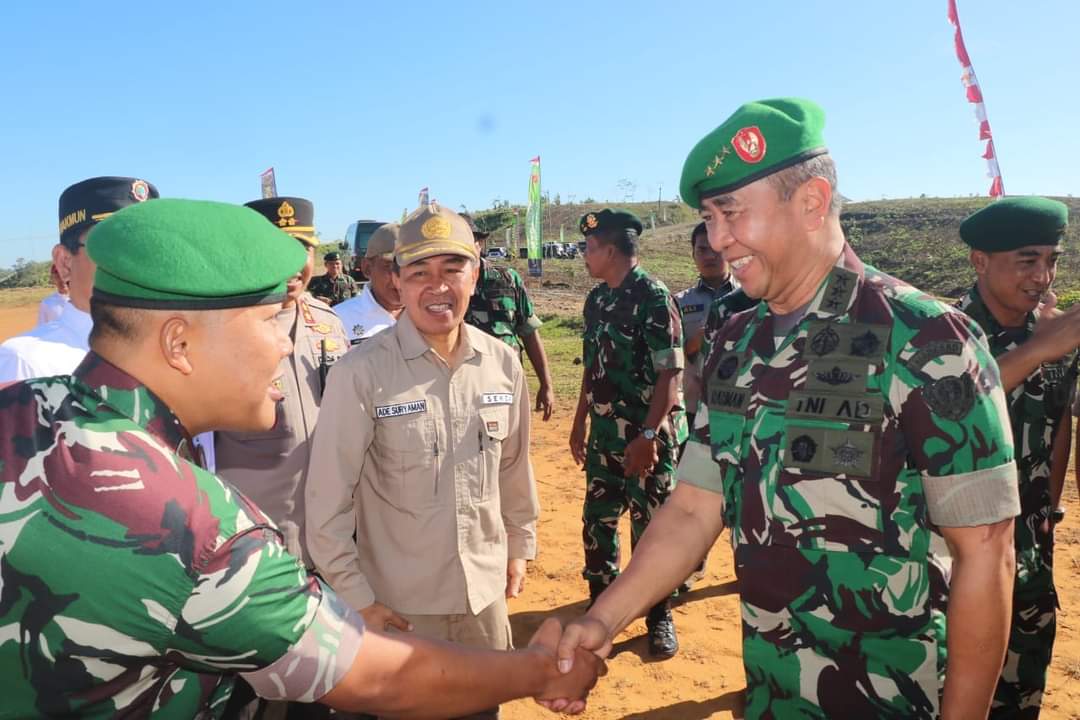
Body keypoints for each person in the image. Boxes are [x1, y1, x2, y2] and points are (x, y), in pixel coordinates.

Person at [0, 198, 600, 718]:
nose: (288, 343)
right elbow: (376, 676)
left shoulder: (20, 408)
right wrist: (541, 672)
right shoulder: (197, 530)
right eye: (268, 321)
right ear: (178, 343)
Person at [550, 98, 1020, 719]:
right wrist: (603, 617)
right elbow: (693, 506)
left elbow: (986, 553)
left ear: (812, 202)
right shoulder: (734, 343)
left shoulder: (928, 339)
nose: (717, 240)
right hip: (771, 696)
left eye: (731, 213)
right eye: (709, 218)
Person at [305, 203, 541, 720]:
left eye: (452, 269)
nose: (437, 286)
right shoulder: (361, 374)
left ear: (474, 276)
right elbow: (326, 503)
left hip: (483, 605)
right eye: (419, 272)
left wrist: (518, 547)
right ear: (399, 281)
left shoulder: (502, 364)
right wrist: (359, 600)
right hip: (399, 612)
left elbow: (514, 470)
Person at [956, 196, 1077, 719]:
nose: (1043, 276)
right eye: (1027, 260)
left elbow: (1059, 425)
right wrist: (1037, 351)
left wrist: (1048, 511)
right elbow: (949, 407)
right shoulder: (943, 332)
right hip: (953, 560)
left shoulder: (1050, 332)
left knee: (1019, 695)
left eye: (1052, 259)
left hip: (1029, 550)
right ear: (980, 261)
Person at [568, 208, 687, 658]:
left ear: (612, 250)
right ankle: (599, 607)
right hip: (604, 436)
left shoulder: (654, 297)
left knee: (651, 528)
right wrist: (580, 419)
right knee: (598, 521)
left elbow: (670, 376)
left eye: (589, 248)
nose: (584, 255)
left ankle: (659, 615)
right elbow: (591, 365)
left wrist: (649, 434)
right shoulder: (596, 300)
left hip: (644, 440)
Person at [215, 195, 349, 568]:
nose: (291, 262)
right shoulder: (219, 332)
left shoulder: (329, 324)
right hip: (253, 545)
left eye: (302, 248)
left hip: (331, 542)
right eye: (273, 248)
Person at [0, 176, 158, 382]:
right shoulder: (27, 362)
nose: (134, 263)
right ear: (65, 262)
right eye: (113, 247)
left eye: (147, 248)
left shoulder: (179, 351)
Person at [463, 213, 555, 420]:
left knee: (512, 447)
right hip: (464, 390)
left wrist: (546, 384)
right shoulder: (445, 287)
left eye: (472, 240)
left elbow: (529, 332)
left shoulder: (507, 279)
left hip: (506, 386)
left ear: (480, 243)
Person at [674, 221, 739, 431]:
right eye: (702, 249)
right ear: (693, 254)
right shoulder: (678, 303)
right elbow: (670, 358)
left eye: (716, 249)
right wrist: (701, 338)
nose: (710, 256)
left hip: (740, 405)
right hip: (694, 407)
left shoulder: (751, 297)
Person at [334, 222, 404, 344]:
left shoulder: (431, 316)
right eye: (390, 267)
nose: (400, 277)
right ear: (367, 268)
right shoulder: (338, 319)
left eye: (409, 267)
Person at [36, 261, 70, 326]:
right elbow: (41, 328)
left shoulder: (83, 301)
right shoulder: (47, 303)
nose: (62, 280)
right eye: (58, 276)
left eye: (65, 275)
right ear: (52, 279)